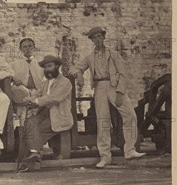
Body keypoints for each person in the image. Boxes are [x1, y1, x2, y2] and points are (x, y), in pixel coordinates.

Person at [68, 27, 145, 168]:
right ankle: (105, 156)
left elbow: (123, 73)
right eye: (94, 38)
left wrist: (120, 92)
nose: (97, 40)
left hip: (114, 86)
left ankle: (130, 150)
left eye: (99, 36)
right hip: (99, 87)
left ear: (104, 37)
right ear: (92, 40)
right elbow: (73, 68)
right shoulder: (89, 57)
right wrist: (78, 74)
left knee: (130, 116)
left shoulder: (114, 54)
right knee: (103, 120)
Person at [21, 55, 73, 164]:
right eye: (45, 67)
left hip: (58, 115)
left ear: (57, 66)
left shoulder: (65, 82)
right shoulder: (45, 83)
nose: (47, 69)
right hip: (45, 113)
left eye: (49, 66)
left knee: (37, 129)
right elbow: (38, 94)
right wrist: (29, 99)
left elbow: (54, 98)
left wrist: (36, 101)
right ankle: (34, 152)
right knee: (28, 123)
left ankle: (34, 153)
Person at [10, 37, 44, 126]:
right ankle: (22, 135)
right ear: (20, 49)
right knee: (22, 118)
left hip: (37, 93)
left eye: (30, 46)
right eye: (24, 47)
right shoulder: (14, 64)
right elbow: (6, 74)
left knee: (37, 117)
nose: (27, 49)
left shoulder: (41, 64)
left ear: (34, 47)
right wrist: (13, 78)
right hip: (21, 94)